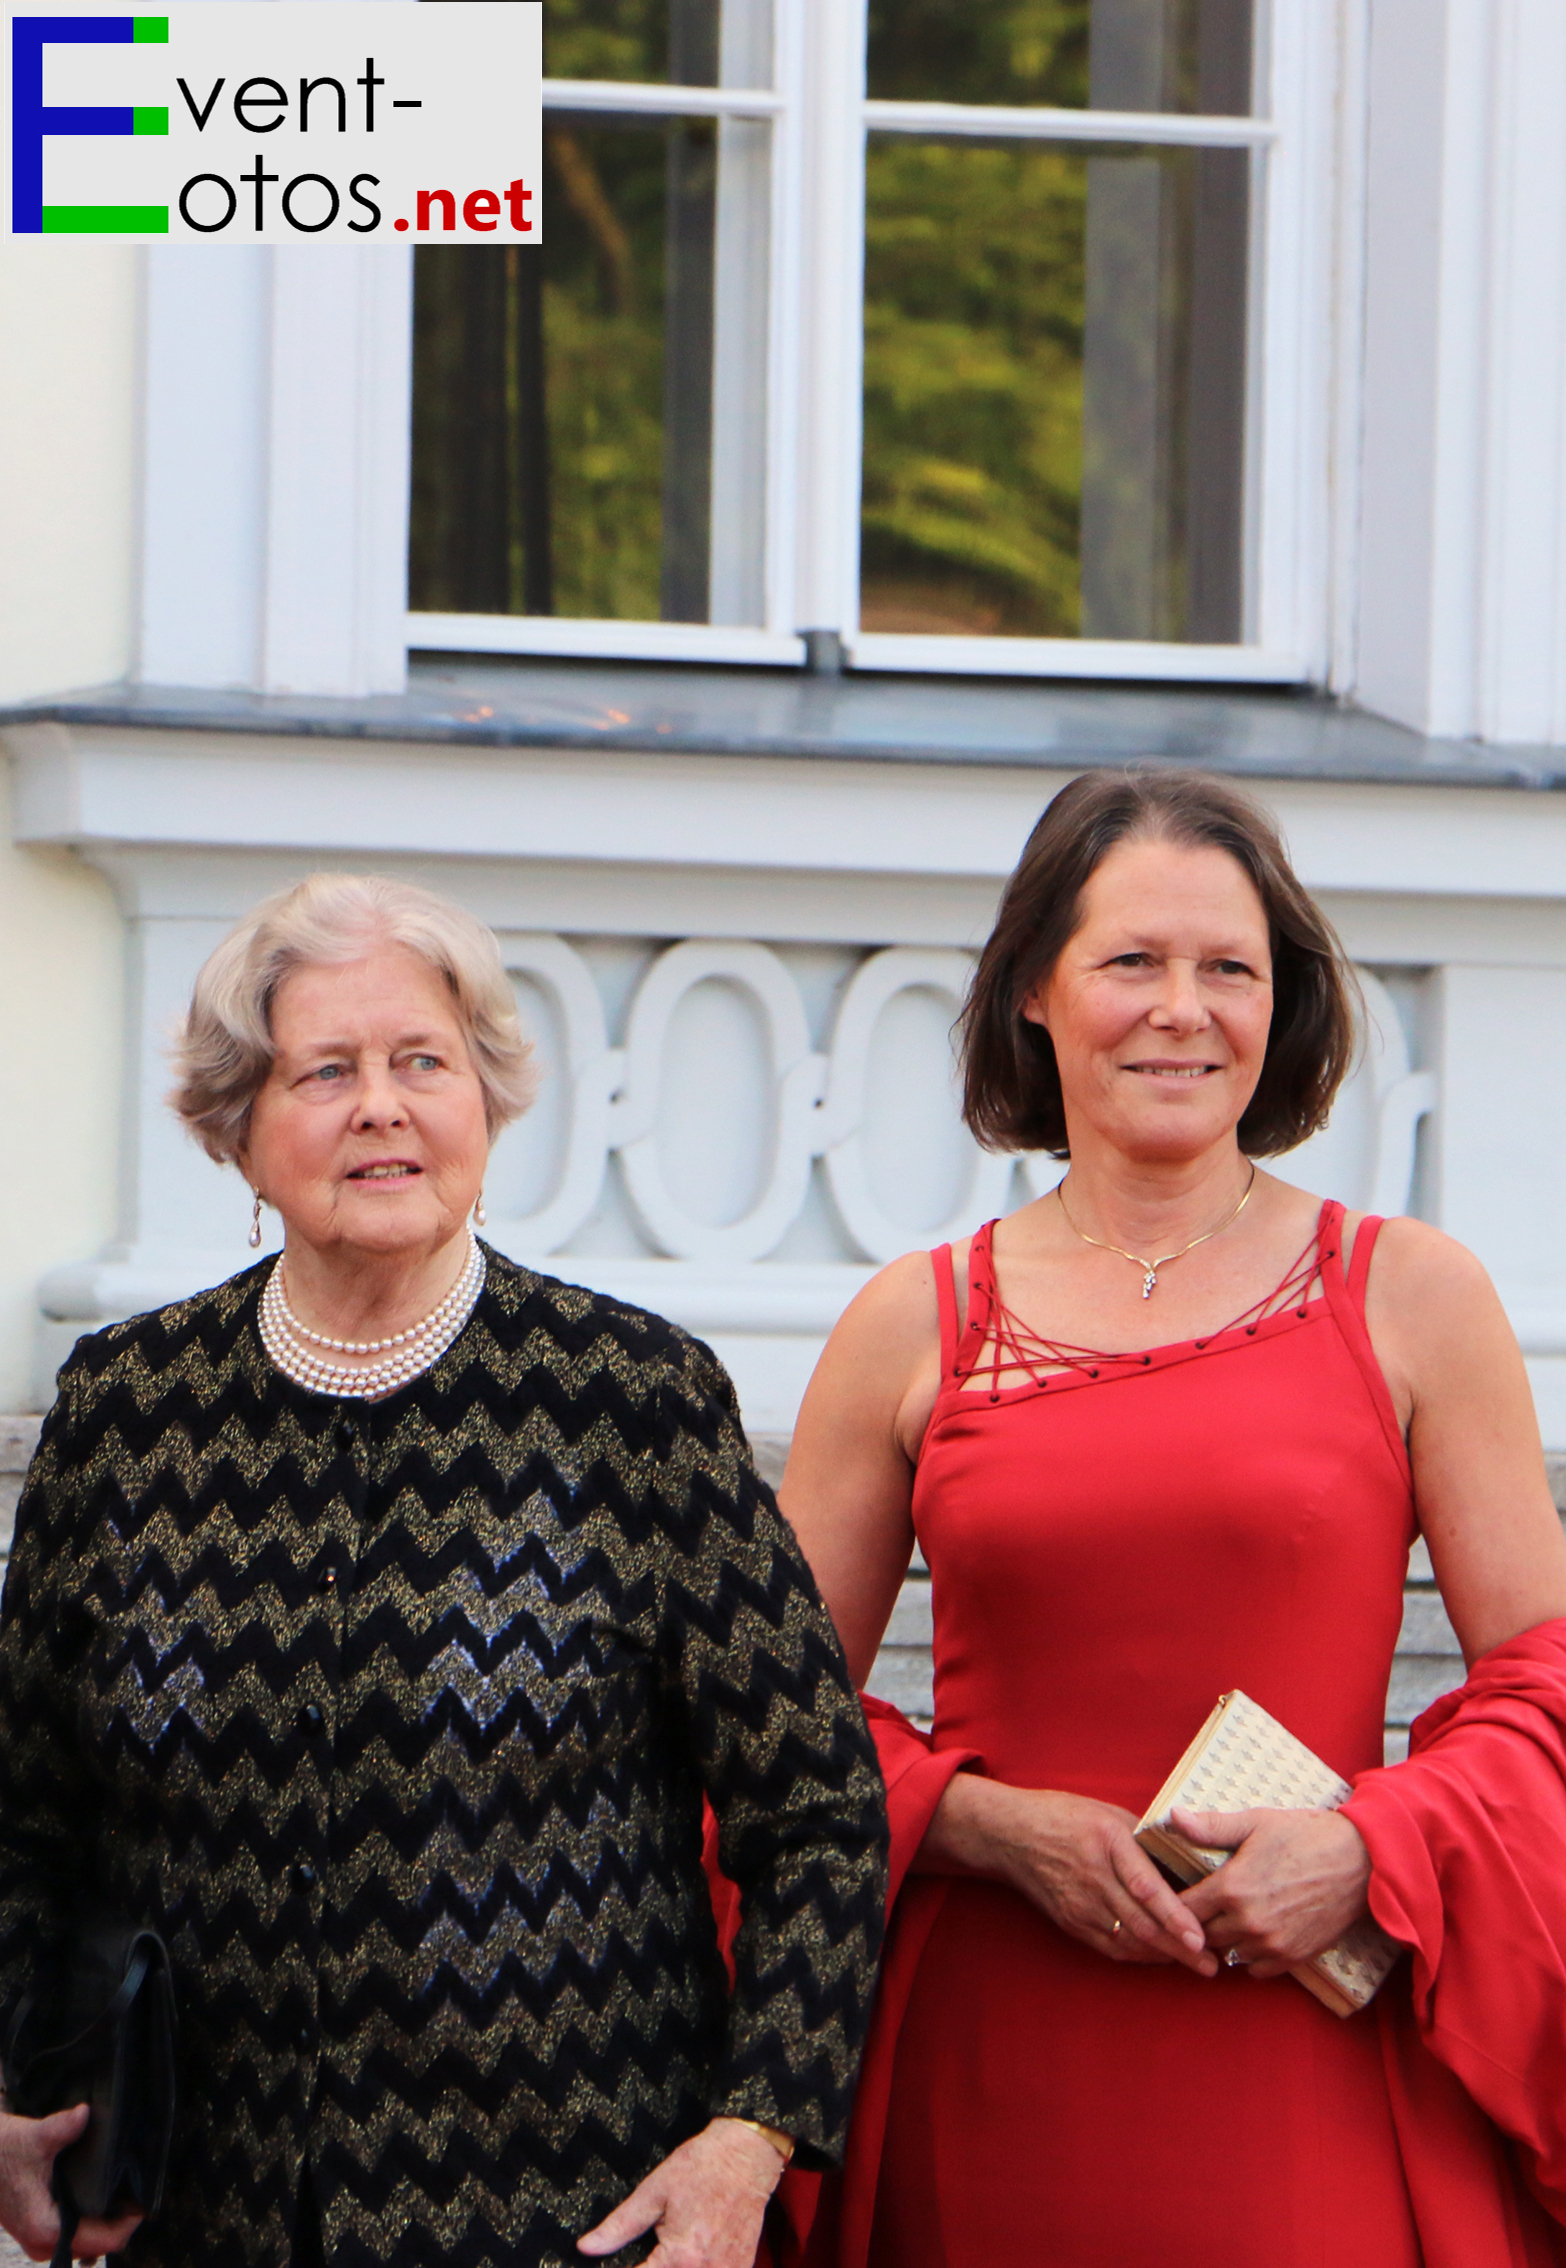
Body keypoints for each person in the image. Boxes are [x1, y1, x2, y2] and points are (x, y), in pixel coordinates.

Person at [0, 873, 888, 2268]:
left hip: (569, 2215)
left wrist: (748, 2141)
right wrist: (11, 2089)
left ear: (484, 1099)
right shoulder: (130, 1409)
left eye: (424, 1061)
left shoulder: (629, 1399)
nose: (382, 1105)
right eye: (325, 1071)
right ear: (238, 1127)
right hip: (196, 2216)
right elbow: (27, 1812)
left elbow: (819, 1814)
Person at [777, 769, 1566, 2268]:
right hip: (991, 2055)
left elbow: (1546, 1684)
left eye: (1229, 970)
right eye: (1130, 961)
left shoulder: (1410, 1293)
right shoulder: (909, 1322)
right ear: (1032, 991)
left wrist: (1370, 1848)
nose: (1179, 1009)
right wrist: (983, 1829)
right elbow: (763, 1719)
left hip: (1305, 2047)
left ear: (1281, 1011)